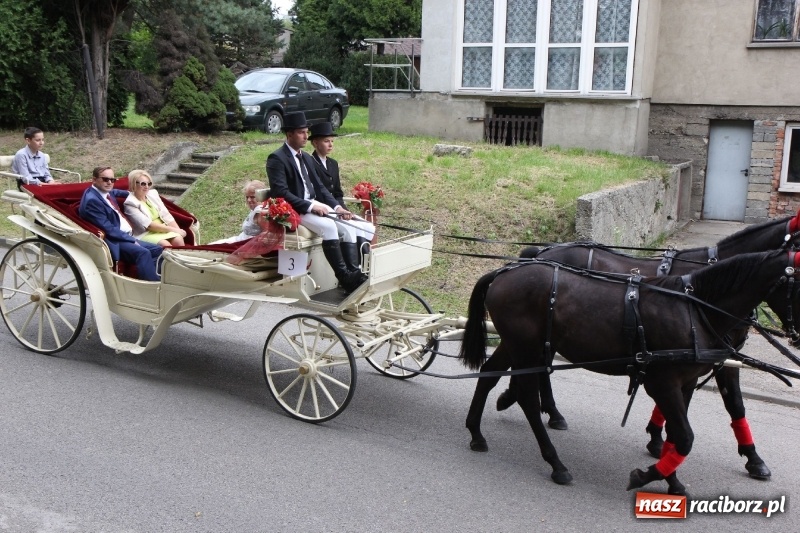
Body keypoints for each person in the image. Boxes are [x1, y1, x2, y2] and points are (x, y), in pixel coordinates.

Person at [266, 112, 366, 293]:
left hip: (312, 203)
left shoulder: (306, 158)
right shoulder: (277, 158)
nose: (306, 136)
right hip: (295, 208)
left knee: (349, 226)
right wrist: (311, 206)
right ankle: (344, 277)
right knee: (329, 227)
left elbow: (320, 188)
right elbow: (281, 192)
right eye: (301, 132)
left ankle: (354, 274)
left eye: (306, 132)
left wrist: (338, 207)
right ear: (289, 134)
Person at [78, 166, 162, 281]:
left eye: (112, 180)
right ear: (94, 180)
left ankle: (153, 277)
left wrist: (137, 193)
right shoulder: (92, 201)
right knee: (143, 253)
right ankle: (151, 286)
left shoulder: (104, 191)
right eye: (105, 179)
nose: (109, 182)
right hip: (114, 240)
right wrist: (131, 239)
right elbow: (109, 229)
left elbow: (118, 192)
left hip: (125, 235)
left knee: (158, 250)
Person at [308, 122, 375, 257]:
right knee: (353, 227)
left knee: (368, 226)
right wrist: (337, 210)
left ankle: (364, 260)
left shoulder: (333, 163)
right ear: (315, 143)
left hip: (337, 208)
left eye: (332, 141)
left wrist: (344, 209)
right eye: (326, 141)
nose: (331, 145)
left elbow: (338, 193)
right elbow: (318, 192)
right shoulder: (310, 163)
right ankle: (354, 262)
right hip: (323, 208)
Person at [123, 169, 186, 247]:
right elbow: (149, 226)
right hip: (146, 233)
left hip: (163, 229)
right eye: (143, 184)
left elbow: (166, 215)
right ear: (134, 184)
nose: (147, 187)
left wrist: (179, 231)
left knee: (178, 239)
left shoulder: (153, 194)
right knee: (165, 244)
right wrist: (174, 230)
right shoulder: (130, 203)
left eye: (149, 183)